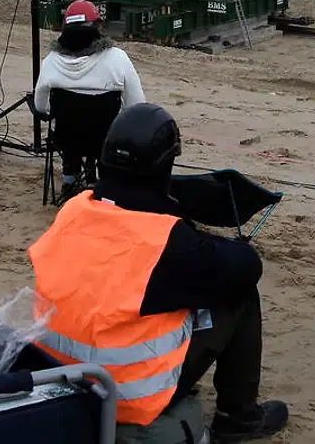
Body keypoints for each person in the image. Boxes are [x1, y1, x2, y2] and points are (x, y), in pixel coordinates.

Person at [28, 103, 289, 443]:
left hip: (56, 379)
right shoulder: (169, 241)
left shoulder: (74, 210)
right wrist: (196, 232)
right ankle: (237, 416)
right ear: (167, 165)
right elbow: (247, 265)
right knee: (238, 293)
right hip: (125, 397)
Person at [33, 0, 146, 199]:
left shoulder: (51, 61)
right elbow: (137, 106)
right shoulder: (117, 58)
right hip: (106, 140)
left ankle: (70, 182)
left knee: (69, 132)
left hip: (67, 139)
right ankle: (105, 185)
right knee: (107, 133)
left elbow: (40, 106)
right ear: (98, 27)